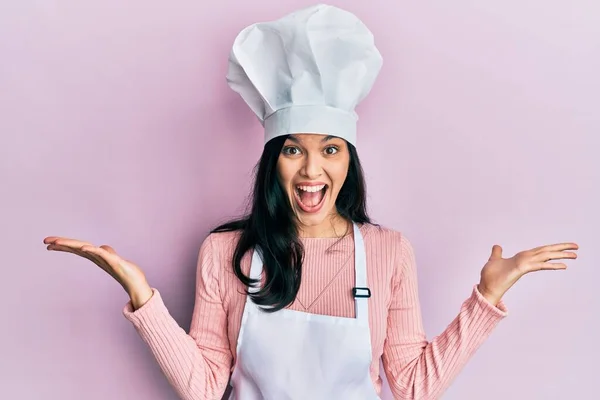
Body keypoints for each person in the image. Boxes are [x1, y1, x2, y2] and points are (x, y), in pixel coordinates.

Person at [43, 4, 578, 400]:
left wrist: (486, 297)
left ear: (349, 160)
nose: (312, 169)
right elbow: (205, 387)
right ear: (275, 159)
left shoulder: (389, 251)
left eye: (330, 149)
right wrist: (143, 297)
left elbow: (414, 385)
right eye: (293, 149)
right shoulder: (228, 252)